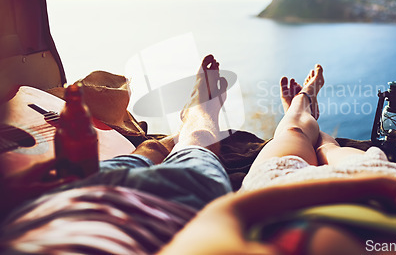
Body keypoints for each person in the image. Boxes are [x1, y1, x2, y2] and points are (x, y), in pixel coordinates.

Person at [160, 64, 396, 255]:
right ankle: (310, 114)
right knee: (330, 147)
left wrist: (385, 184)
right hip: (388, 189)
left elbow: (223, 214)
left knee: (293, 134)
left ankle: (302, 105)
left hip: (286, 194)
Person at [0, 54, 234, 254]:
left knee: (148, 149)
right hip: (164, 209)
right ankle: (198, 114)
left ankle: (181, 133)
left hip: (52, 199)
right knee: (201, 140)